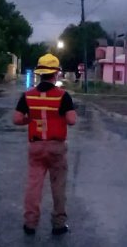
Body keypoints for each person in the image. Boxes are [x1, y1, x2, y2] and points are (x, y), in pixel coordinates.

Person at [13, 53, 76, 236]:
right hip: (56, 147)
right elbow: (71, 120)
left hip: (36, 147)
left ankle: (30, 224)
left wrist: (30, 120)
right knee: (58, 187)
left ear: (40, 73)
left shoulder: (28, 95)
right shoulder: (63, 96)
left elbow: (17, 119)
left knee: (34, 186)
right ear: (55, 73)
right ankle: (58, 224)